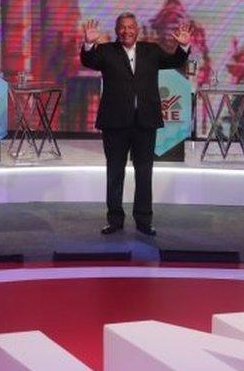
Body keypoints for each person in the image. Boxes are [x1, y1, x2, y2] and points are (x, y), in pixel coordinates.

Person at [80, 12, 190, 236]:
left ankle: (143, 220)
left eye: (130, 27)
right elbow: (88, 61)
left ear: (137, 29)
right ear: (116, 30)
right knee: (114, 173)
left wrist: (184, 47)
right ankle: (115, 219)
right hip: (115, 124)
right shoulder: (106, 51)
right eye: (122, 27)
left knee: (144, 173)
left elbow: (174, 60)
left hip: (145, 123)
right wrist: (89, 43)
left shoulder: (151, 50)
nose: (126, 31)